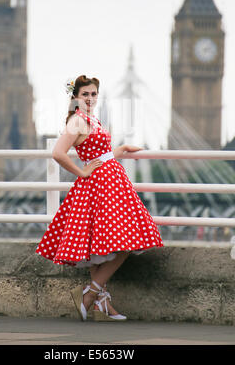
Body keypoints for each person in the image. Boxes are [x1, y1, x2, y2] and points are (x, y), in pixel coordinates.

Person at [36, 74, 164, 321]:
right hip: (97, 186)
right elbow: (58, 153)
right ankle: (90, 294)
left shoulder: (91, 118)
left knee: (101, 244)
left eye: (94, 94)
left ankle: (99, 304)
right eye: (85, 94)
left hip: (110, 183)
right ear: (76, 97)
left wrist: (121, 150)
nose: (91, 98)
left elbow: (100, 153)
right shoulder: (76, 121)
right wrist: (82, 171)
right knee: (125, 243)